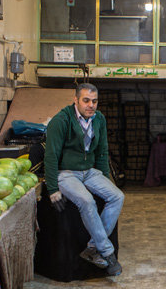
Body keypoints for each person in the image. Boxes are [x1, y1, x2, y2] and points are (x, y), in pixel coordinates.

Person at [44, 83, 124, 276]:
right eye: (86, 100)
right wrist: (53, 188)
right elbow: (51, 156)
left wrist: (105, 179)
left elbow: (102, 151)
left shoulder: (99, 120)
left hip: (89, 171)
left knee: (117, 197)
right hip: (66, 173)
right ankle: (107, 253)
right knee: (87, 201)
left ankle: (92, 248)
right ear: (76, 100)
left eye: (94, 101)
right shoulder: (61, 120)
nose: (91, 105)